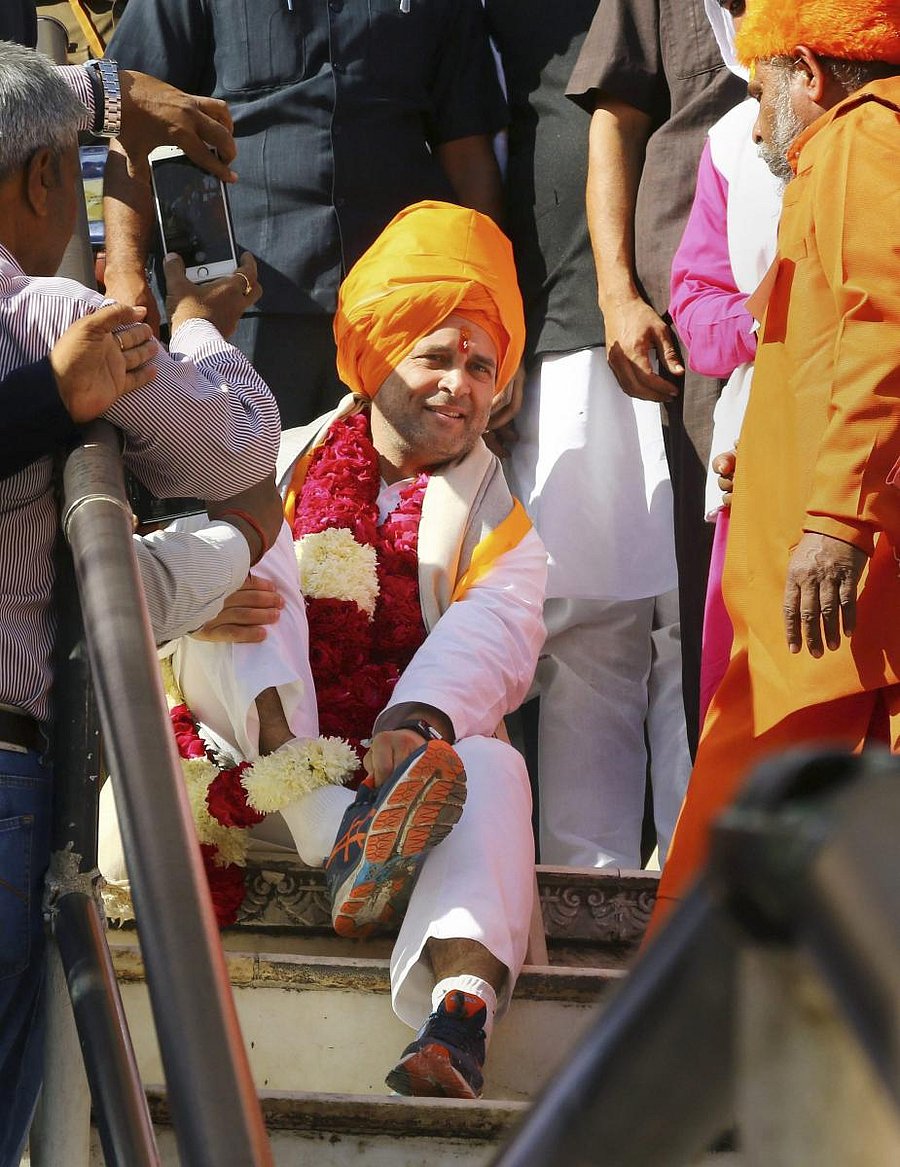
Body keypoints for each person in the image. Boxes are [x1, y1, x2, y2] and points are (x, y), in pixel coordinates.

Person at [101, 200, 547, 1101]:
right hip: (249, 776)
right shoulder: (282, 459)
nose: (459, 384)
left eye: (480, 365)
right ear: (378, 355)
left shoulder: (503, 519)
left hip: (400, 799)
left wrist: (414, 720)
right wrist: (200, 599)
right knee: (245, 558)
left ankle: (455, 1022)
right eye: (435, 356)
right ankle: (330, 826)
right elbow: (138, 577)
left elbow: (493, 628)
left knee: (496, 771)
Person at [0, 42, 281, 1167]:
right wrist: (193, 319)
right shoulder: (47, 320)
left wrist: (108, 107)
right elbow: (238, 447)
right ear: (37, 187)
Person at [651, 0, 900, 931]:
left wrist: (834, 519)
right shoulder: (849, 150)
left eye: (760, 93)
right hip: (800, 598)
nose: (756, 124)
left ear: (810, 73)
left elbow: (883, 334)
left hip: (830, 597)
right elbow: (822, 347)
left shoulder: (860, 140)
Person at [484, 0, 692, 870]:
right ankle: (581, 892)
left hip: (718, 342)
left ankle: (705, 899)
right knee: (584, 638)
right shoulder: (508, 16)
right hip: (571, 334)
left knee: (699, 627)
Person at [102, 0, 508, 426]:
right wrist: (123, 271)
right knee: (232, 476)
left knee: (385, 488)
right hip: (236, 299)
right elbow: (136, 120)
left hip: (400, 309)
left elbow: (467, 154)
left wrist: (491, 311)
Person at [566, 0, 746, 752]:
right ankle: (730, 821)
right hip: (703, 310)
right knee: (721, 570)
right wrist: (617, 297)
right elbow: (617, 117)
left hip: (850, 286)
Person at [668, 0, 783, 722]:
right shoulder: (736, 137)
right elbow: (697, 311)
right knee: (751, 702)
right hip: (758, 455)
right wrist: (774, 316)